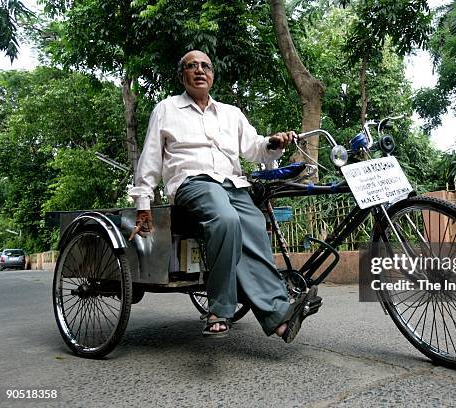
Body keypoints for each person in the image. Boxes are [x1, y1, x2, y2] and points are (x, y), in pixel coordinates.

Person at [128, 50, 320, 341]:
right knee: (226, 220)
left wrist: (273, 142)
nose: (199, 71)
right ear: (183, 76)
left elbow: (254, 147)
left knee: (254, 225)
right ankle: (219, 308)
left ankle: (279, 317)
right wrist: (143, 202)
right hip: (192, 183)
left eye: (205, 66)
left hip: (233, 184)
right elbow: (151, 158)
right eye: (192, 66)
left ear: (213, 75)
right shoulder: (166, 109)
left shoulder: (231, 113)